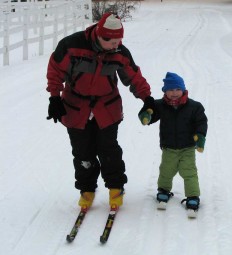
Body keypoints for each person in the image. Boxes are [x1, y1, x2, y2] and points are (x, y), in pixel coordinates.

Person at [46, 13, 155, 210]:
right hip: (76, 108)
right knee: (82, 151)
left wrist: (147, 99)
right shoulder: (72, 45)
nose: (116, 45)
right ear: (100, 36)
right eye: (112, 42)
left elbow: (134, 77)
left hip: (107, 108)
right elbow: (55, 69)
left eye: (119, 41)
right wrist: (54, 96)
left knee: (109, 149)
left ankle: (115, 187)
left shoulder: (120, 52)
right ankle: (86, 189)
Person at [138, 72, 207, 212]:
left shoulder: (194, 107)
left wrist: (200, 136)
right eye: (170, 89)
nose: (174, 93)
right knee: (166, 171)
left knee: (189, 172)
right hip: (169, 147)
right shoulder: (161, 105)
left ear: (183, 89)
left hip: (187, 147)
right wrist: (146, 115)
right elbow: (150, 112)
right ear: (165, 91)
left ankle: (193, 196)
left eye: (177, 89)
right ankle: (163, 191)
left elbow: (201, 122)